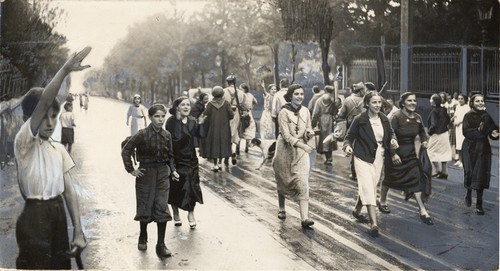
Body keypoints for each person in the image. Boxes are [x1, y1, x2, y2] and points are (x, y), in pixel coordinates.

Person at [13, 47, 90, 269]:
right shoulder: (24, 143)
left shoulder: (58, 150)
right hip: (34, 217)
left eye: (54, 117)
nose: (49, 123)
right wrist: (65, 69)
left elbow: (69, 191)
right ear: (30, 119)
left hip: (58, 215)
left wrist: (78, 230)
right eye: (43, 117)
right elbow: (45, 101)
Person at [121, 103, 180, 258]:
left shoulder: (167, 135)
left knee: (162, 206)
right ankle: (143, 235)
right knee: (145, 205)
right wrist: (131, 169)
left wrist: (173, 170)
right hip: (145, 174)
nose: (160, 120)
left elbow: (170, 156)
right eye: (157, 116)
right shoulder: (142, 134)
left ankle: (161, 245)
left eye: (163, 116)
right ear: (150, 117)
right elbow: (126, 149)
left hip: (162, 174)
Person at [343, 91, 398, 237]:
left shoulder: (384, 119)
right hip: (362, 156)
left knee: (370, 185)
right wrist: (347, 147)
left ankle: (356, 210)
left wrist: (393, 140)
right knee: (368, 186)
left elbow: (391, 133)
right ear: (367, 103)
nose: (378, 105)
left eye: (379, 102)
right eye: (374, 102)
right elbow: (348, 137)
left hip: (378, 156)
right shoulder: (359, 119)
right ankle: (374, 223)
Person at [379, 92, 434, 225]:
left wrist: (424, 141)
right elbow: (388, 136)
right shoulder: (396, 117)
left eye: (414, 100)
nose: (413, 103)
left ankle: (422, 210)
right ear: (403, 103)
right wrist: (393, 154)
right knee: (389, 180)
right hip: (395, 153)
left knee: (415, 180)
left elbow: (422, 132)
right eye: (409, 101)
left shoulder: (417, 117)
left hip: (410, 154)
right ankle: (382, 201)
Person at [272, 84, 316, 229]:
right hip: (285, 150)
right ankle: (281, 208)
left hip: (301, 153)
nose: (299, 97)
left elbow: (308, 127)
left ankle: (305, 218)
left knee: (303, 181)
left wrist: (309, 133)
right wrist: (303, 145)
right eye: (296, 94)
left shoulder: (305, 111)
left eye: (302, 94)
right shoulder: (283, 112)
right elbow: (285, 135)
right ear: (290, 96)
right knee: (283, 179)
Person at [165, 96, 207, 229]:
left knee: (192, 186)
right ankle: (176, 214)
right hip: (176, 159)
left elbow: (200, 136)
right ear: (177, 107)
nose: (186, 107)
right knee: (176, 187)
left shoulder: (192, 120)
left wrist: (199, 124)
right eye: (183, 105)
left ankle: (191, 214)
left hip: (190, 159)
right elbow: (175, 139)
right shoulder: (171, 122)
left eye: (188, 105)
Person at [462, 94, 499, 215]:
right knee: (470, 172)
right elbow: (466, 132)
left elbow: (493, 130)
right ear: (472, 103)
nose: (480, 103)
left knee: (481, 175)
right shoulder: (468, 116)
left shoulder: (486, 115)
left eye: (482, 101)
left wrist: (494, 134)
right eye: (477, 101)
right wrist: (479, 131)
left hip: (483, 148)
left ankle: (479, 203)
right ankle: (468, 191)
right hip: (470, 148)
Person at [200, 86, 234, 171]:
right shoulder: (226, 103)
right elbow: (231, 115)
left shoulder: (210, 104)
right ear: (222, 94)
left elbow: (206, 114)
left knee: (214, 145)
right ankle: (220, 163)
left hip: (213, 128)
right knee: (223, 144)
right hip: (224, 128)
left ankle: (215, 164)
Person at [337, 82, 366, 180]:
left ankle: (354, 172)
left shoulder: (347, 100)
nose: (365, 91)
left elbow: (341, 115)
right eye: (364, 89)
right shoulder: (366, 100)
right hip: (364, 127)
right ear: (361, 90)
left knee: (353, 147)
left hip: (351, 127)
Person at [426, 94, 452, 179]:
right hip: (444, 133)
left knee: (430, 151)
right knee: (444, 152)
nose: (430, 100)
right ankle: (444, 172)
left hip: (436, 134)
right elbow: (448, 120)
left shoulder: (434, 111)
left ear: (433, 101)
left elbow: (433, 125)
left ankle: (438, 170)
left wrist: (429, 133)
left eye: (431, 99)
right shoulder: (444, 109)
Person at [311, 85, 338, 165]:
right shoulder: (333, 100)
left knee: (324, 138)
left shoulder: (319, 100)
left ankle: (328, 158)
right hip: (330, 119)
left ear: (325, 90)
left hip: (322, 119)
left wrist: (313, 124)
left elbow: (315, 113)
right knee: (330, 137)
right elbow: (335, 111)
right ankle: (330, 157)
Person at [223, 78, 247, 164]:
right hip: (237, 113)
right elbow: (245, 106)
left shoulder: (223, 91)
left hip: (226, 113)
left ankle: (228, 154)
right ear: (235, 82)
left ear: (228, 82)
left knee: (227, 133)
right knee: (235, 132)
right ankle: (233, 151)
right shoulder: (241, 93)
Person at [240, 83, 257, 153]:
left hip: (242, 113)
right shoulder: (251, 95)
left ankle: (239, 147)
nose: (239, 90)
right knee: (248, 129)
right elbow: (255, 102)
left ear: (244, 89)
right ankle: (246, 147)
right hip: (249, 113)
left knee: (241, 129)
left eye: (241, 89)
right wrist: (251, 106)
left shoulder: (241, 95)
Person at [453, 94, 469, 168]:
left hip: (463, 127)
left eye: (462, 99)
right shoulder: (457, 107)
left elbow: (466, 118)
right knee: (458, 144)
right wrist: (455, 121)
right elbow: (455, 115)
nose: (460, 100)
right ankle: (459, 160)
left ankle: (463, 161)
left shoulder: (467, 108)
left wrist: (459, 122)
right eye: (459, 99)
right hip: (457, 128)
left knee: (463, 144)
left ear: (465, 99)